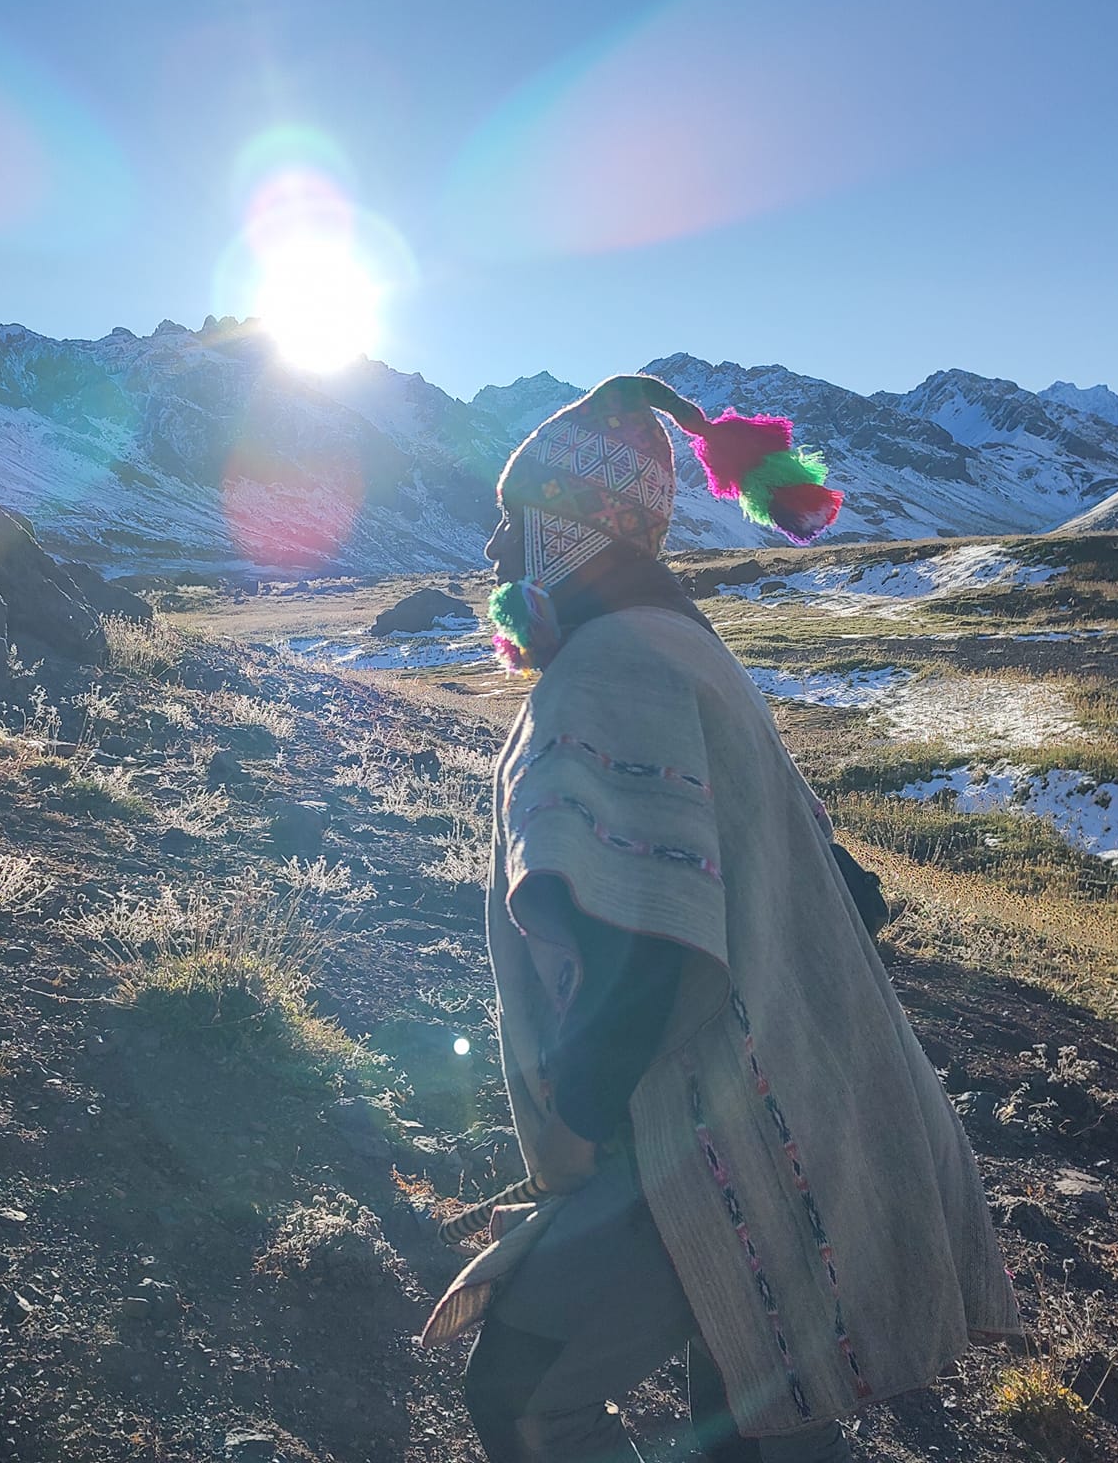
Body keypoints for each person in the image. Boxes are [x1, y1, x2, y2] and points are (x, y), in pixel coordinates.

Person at [422, 375, 1022, 1462]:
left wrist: (576, 1125)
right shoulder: (684, 651)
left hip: (707, 1141)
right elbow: (843, 888)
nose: (488, 555)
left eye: (508, 526)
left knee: (521, 1394)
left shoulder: (604, 676)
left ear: (564, 528)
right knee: (753, 1415)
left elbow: (642, 944)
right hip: (809, 1117)